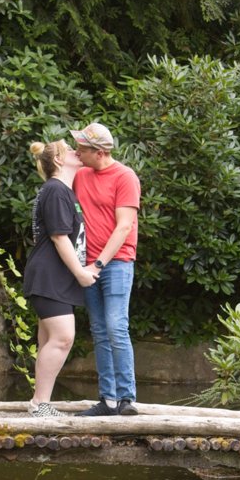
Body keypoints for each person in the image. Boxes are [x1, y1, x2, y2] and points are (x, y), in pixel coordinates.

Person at [23, 140, 99, 418]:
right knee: (63, 337)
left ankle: (40, 402)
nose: (76, 152)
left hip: (54, 278)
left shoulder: (64, 191)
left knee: (49, 340)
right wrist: (80, 273)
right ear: (58, 161)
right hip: (49, 276)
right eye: (68, 150)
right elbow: (58, 236)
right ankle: (39, 404)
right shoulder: (55, 190)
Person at [70, 122, 141, 417]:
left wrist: (99, 264)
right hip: (88, 264)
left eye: (82, 148)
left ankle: (127, 399)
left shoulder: (125, 177)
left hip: (116, 263)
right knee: (99, 330)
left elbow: (124, 226)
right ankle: (108, 400)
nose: (77, 152)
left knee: (116, 326)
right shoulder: (81, 175)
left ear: (99, 152)